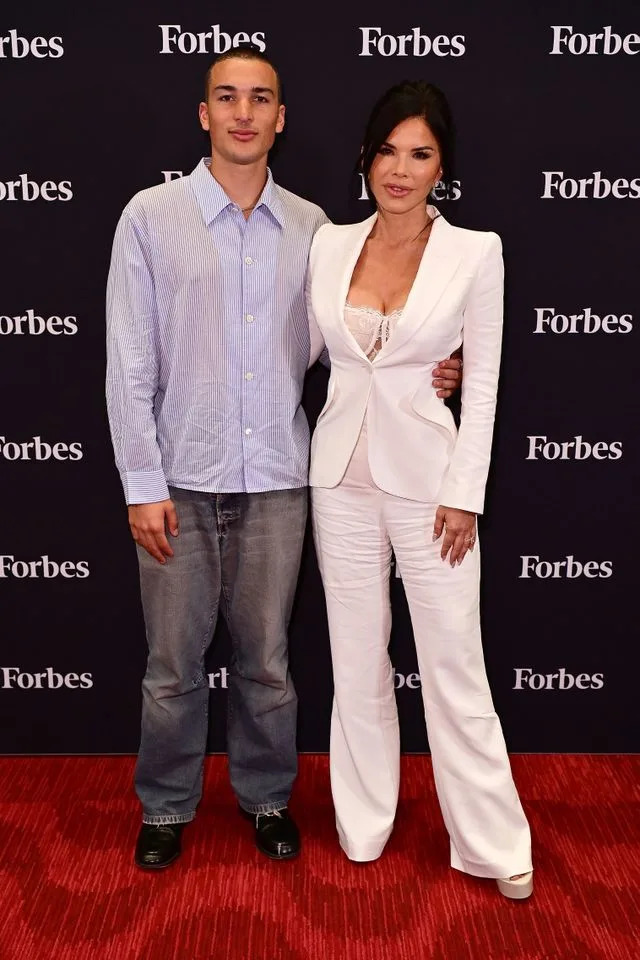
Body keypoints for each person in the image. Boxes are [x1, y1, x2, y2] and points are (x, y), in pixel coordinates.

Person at [106, 49, 462, 870]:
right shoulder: (149, 218)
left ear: (281, 118)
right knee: (170, 667)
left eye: (259, 98)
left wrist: (437, 367)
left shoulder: (316, 231)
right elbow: (127, 361)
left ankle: (267, 798)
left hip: (279, 481)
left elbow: (353, 343)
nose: (242, 112)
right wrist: (142, 482)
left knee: (267, 665)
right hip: (178, 483)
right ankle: (165, 807)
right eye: (226, 97)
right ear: (203, 115)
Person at [307, 81, 533, 899]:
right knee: (356, 661)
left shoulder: (477, 252)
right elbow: (311, 353)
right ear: (366, 156)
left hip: (431, 487)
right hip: (338, 480)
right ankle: (364, 821)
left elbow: (487, 382)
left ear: (443, 165)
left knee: (453, 666)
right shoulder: (329, 244)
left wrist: (466, 492)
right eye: (388, 151)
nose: (401, 170)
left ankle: (493, 842)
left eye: (421, 154)